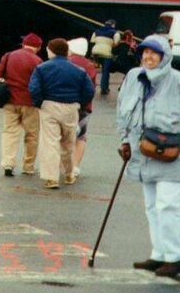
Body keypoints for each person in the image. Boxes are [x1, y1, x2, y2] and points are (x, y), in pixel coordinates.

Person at [116, 35, 180, 279]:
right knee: (152, 206)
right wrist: (124, 140)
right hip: (142, 152)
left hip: (171, 154)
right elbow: (122, 110)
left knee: (168, 205)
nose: (148, 57)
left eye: (154, 53)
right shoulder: (134, 77)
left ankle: (175, 257)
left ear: (164, 57)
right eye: (145, 52)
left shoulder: (176, 80)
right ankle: (159, 253)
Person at [30, 37, 94, 189]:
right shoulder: (79, 70)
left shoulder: (42, 68)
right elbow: (89, 90)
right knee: (68, 143)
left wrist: (39, 103)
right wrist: (80, 103)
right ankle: (69, 174)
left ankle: (51, 178)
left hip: (49, 105)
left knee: (50, 142)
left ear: (51, 50)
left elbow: (34, 88)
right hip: (71, 107)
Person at [0, 33, 44, 178]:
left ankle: (8, 163)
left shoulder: (8, 56)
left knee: (10, 132)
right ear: (39, 47)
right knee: (32, 135)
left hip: (10, 101)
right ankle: (28, 166)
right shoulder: (38, 61)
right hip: (30, 103)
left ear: (23, 44)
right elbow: (40, 84)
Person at [66, 37, 98, 180]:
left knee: (63, 136)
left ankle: (62, 165)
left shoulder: (66, 62)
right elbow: (91, 88)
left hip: (65, 104)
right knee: (81, 137)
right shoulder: (90, 66)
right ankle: (76, 166)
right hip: (84, 107)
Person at [91, 19, 120, 96]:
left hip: (96, 52)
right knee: (105, 70)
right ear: (113, 25)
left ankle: (92, 86)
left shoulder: (96, 31)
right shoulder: (115, 32)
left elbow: (92, 41)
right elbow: (116, 43)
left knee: (94, 69)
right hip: (107, 53)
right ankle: (104, 88)